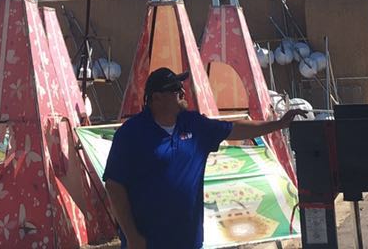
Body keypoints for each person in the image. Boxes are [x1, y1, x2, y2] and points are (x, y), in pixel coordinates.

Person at [103, 67, 302, 249]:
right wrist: (132, 236)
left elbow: (235, 128)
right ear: (157, 98)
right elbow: (114, 186)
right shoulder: (131, 133)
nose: (183, 93)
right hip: (148, 242)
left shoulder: (194, 124)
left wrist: (278, 124)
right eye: (175, 90)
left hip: (188, 240)